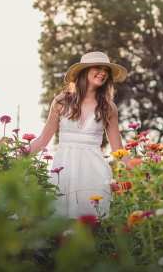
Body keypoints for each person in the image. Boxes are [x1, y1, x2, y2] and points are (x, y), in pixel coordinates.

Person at [28, 51, 130, 219]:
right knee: (60, 228)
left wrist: (141, 168)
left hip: (94, 173)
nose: (103, 72)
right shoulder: (62, 101)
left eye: (106, 70)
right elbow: (42, 140)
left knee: (91, 227)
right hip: (63, 171)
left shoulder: (108, 107)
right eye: (98, 67)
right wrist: (15, 157)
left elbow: (118, 149)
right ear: (84, 71)